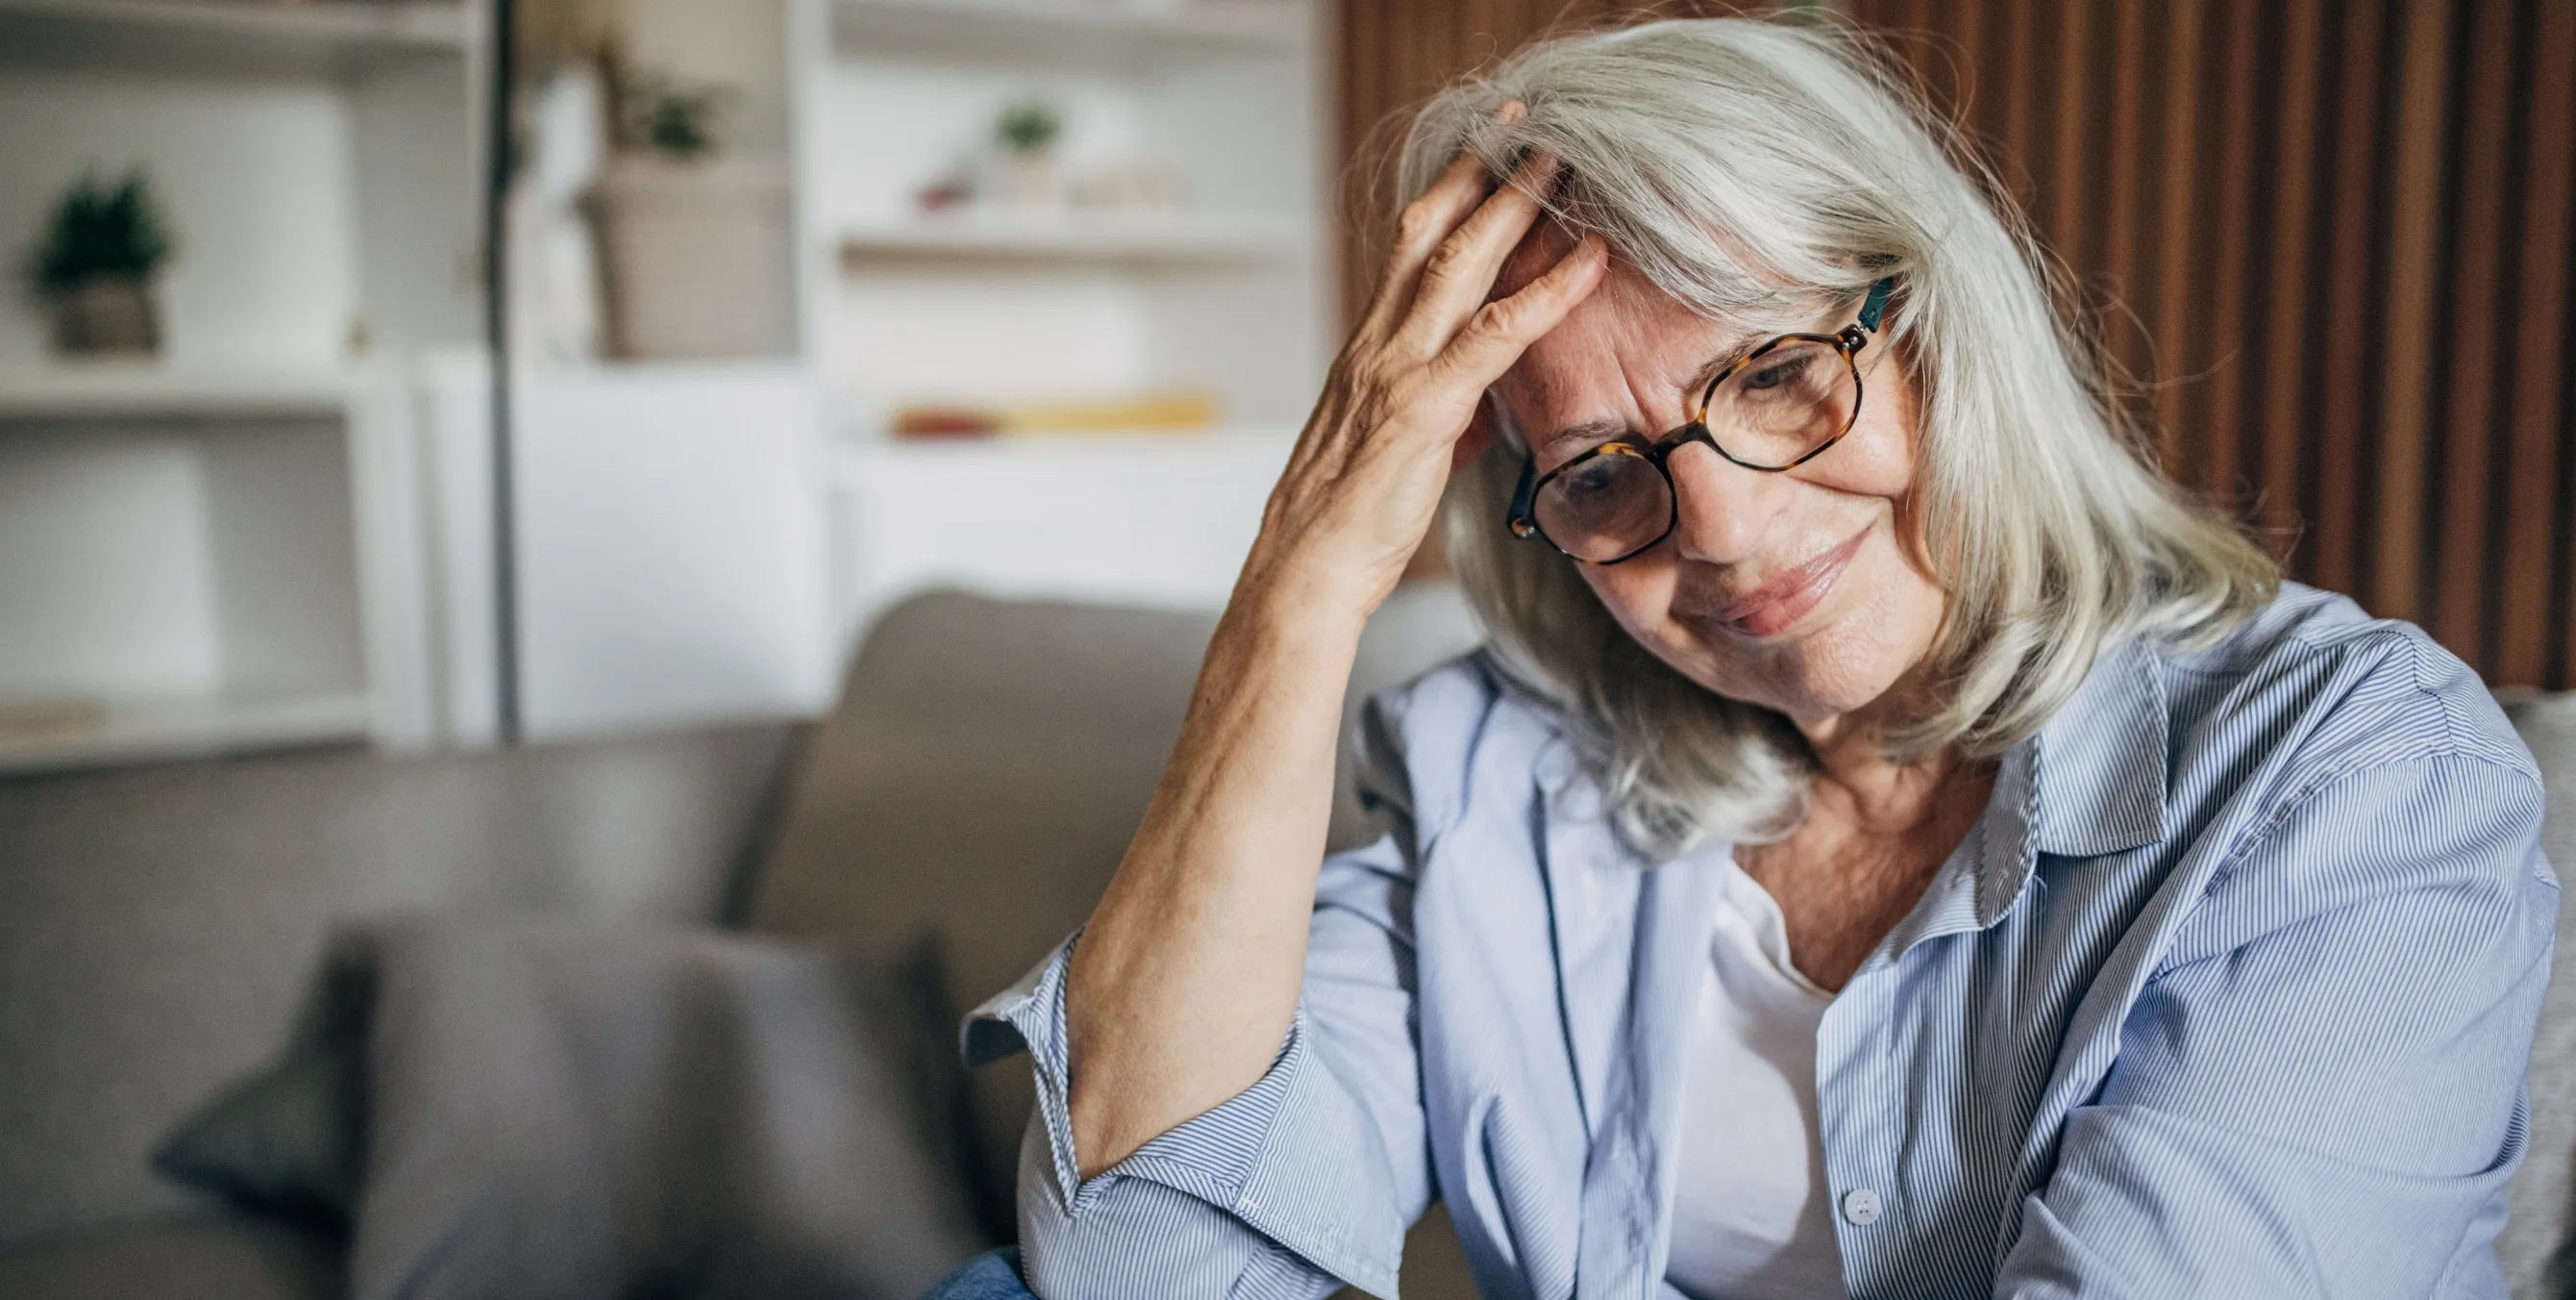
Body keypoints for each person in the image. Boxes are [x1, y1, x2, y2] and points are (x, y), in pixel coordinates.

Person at [941, 15, 2558, 1300]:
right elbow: (1140, 1265)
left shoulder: (2349, 778)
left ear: (1939, 327)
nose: (1714, 527)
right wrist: (1299, 590)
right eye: (1594, 470)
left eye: (1778, 372)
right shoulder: (1500, 778)